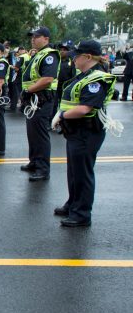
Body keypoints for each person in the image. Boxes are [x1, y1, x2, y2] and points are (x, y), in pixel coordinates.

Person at [52, 40, 116, 227]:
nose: (74, 58)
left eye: (77, 55)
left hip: (87, 131)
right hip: (76, 131)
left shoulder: (96, 79)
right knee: (74, 172)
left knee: (82, 173)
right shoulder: (85, 75)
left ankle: (81, 214)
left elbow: (85, 108)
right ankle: (73, 203)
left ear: (88, 57)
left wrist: (62, 115)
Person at [20, 27, 60, 181]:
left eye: (36, 36)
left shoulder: (49, 55)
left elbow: (48, 79)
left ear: (46, 39)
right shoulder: (38, 54)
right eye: (32, 37)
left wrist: (29, 90)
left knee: (40, 135)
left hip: (42, 99)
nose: (33, 39)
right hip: (33, 100)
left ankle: (43, 169)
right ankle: (35, 161)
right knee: (32, 133)